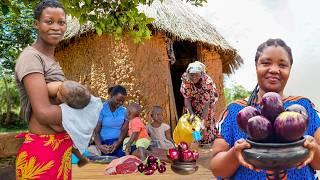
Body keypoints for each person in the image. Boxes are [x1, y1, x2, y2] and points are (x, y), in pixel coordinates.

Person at [210, 38, 320, 179]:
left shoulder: (304, 108)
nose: (274, 70)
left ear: (289, 70)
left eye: (282, 65)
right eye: (266, 63)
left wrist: (314, 148)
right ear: (256, 66)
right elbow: (217, 169)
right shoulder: (234, 111)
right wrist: (235, 153)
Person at [14, 1, 72, 179]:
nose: (56, 27)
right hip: (42, 151)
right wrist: (85, 113)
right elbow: (44, 113)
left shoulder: (50, 60)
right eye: (49, 21)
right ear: (36, 24)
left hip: (60, 148)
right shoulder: (31, 58)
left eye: (61, 22)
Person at [47, 80, 92, 167]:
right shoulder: (52, 90)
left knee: (69, 138)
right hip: (51, 113)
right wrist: (51, 124)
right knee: (68, 137)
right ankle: (82, 158)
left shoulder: (67, 91)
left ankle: (82, 158)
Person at [180, 60, 219, 141]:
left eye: (197, 75)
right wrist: (191, 113)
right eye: (192, 75)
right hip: (194, 100)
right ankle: (197, 141)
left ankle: (207, 142)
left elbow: (206, 104)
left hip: (208, 102)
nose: (194, 77)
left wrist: (203, 121)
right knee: (194, 121)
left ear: (201, 74)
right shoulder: (186, 80)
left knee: (206, 122)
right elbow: (186, 98)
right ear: (188, 74)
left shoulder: (207, 82)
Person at [94, 85, 128, 157]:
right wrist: (100, 146)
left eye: (123, 101)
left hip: (119, 142)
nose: (120, 103)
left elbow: (124, 130)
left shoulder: (124, 111)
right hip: (104, 144)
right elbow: (96, 132)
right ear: (111, 96)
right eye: (118, 100)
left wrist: (118, 142)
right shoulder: (101, 109)